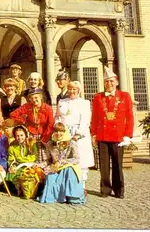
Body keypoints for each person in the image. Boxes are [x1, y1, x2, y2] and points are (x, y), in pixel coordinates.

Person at [91, 67, 133, 199]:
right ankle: (105, 190)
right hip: (103, 135)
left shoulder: (125, 96)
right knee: (103, 166)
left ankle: (119, 190)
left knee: (117, 165)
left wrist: (128, 135)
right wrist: (94, 134)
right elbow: (95, 117)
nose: (109, 84)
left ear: (117, 82)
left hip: (118, 136)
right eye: (106, 82)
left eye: (111, 81)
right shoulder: (98, 97)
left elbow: (130, 116)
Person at [56, 81, 94, 192]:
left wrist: (78, 133)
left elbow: (85, 119)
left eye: (74, 89)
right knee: (65, 159)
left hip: (79, 135)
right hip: (64, 134)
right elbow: (58, 117)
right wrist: (59, 129)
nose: (72, 91)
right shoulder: (62, 102)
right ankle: (67, 185)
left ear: (79, 90)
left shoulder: (84, 103)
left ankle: (81, 186)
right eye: (70, 89)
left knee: (81, 160)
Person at [38, 122, 85, 204]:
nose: (58, 133)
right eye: (56, 131)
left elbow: (76, 159)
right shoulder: (50, 144)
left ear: (65, 131)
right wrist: (39, 165)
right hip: (56, 168)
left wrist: (61, 162)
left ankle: (71, 196)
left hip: (69, 167)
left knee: (68, 170)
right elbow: (48, 160)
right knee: (51, 176)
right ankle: (58, 197)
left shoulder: (71, 143)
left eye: (61, 131)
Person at [5, 125, 38, 194]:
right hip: (18, 165)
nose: (20, 138)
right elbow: (11, 159)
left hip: (31, 165)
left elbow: (33, 157)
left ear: (26, 134)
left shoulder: (32, 143)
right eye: (17, 136)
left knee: (26, 173)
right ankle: (18, 189)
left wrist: (20, 159)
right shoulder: (12, 146)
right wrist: (12, 166)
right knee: (11, 173)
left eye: (21, 135)